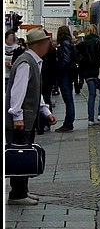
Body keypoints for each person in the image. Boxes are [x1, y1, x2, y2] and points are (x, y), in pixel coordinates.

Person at [5, 27, 58, 205]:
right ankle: (17, 194)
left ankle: (22, 191)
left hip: (28, 118)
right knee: (20, 155)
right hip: (21, 120)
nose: (49, 46)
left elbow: (36, 93)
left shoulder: (33, 62)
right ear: (40, 45)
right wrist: (17, 116)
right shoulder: (26, 63)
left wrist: (46, 112)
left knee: (24, 152)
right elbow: (17, 93)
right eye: (47, 43)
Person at [76, 24, 100, 126]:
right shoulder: (98, 41)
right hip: (98, 72)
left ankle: (91, 119)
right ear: (95, 31)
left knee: (92, 95)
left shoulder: (83, 43)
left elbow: (79, 58)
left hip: (87, 73)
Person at [53, 25, 76, 132]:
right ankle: (68, 123)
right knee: (69, 99)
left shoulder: (65, 43)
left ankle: (68, 124)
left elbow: (66, 60)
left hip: (65, 74)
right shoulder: (69, 42)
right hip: (69, 73)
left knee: (68, 100)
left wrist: (59, 70)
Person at [36, 35, 57, 134]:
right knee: (46, 98)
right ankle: (46, 123)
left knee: (41, 99)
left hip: (43, 78)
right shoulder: (52, 50)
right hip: (49, 78)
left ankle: (41, 124)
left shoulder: (40, 53)